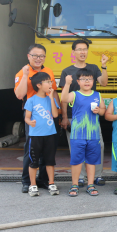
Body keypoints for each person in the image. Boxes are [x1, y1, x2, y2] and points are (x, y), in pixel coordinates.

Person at [59, 39, 108, 187]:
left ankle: (97, 176)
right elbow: (64, 97)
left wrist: (104, 66)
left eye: (85, 49)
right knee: (76, 149)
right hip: (75, 118)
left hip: (92, 118)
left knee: (98, 146)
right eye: (79, 49)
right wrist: (64, 117)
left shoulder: (93, 68)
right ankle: (80, 177)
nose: (82, 52)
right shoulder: (67, 72)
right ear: (73, 52)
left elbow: (104, 83)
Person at [14, 44, 60, 193]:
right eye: (35, 56)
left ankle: (44, 180)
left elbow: (54, 93)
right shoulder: (22, 72)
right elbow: (19, 95)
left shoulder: (48, 72)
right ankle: (27, 181)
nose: (38, 59)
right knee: (31, 149)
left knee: (48, 149)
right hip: (32, 114)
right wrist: (26, 75)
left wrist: (59, 112)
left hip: (49, 112)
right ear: (28, 56)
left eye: (41, 56)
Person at [61, 70, 106, 197]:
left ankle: (90, 184)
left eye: (90, 79)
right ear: (78, 81)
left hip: (93, 135)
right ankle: (74, 185)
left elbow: (103, 110)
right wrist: (67, 84)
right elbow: (64, 98)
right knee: (76, 161)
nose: (87, 81)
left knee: (91, 161)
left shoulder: (97, 95)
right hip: (77, 135)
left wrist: (99, 110)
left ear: (93, 81)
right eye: (84, 79)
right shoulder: (74, 94)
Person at [24, 72, 60, 196]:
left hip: (50, 134)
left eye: (51, 81)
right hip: (35, 136)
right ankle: (33, 185)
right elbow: (27, 118)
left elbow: (55, 115)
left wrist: (51, 98)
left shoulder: (51, 99)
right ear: (39, 85)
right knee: (34, 161)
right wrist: (30, 122)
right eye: (48, 82)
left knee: (50, 161)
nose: (51, 84)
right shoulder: (31, 100)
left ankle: (51, 183)